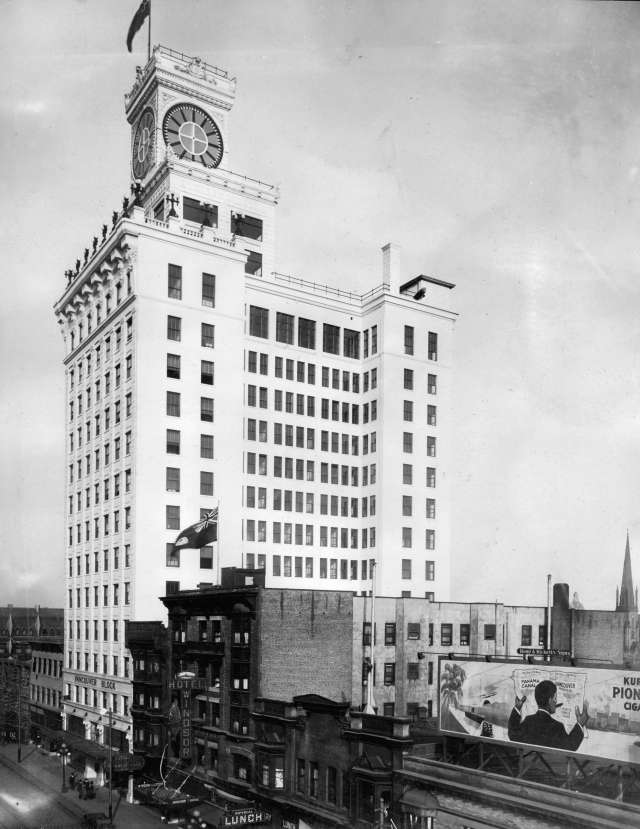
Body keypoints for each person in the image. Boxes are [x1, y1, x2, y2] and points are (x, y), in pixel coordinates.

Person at [508, 679, 588, 751]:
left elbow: (513, 734)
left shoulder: (528, 720)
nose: (556, 702)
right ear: (550, 701)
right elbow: (570, 746)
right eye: (555, 698)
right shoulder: (557, 727)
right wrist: (580, 724)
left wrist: (517, 708)